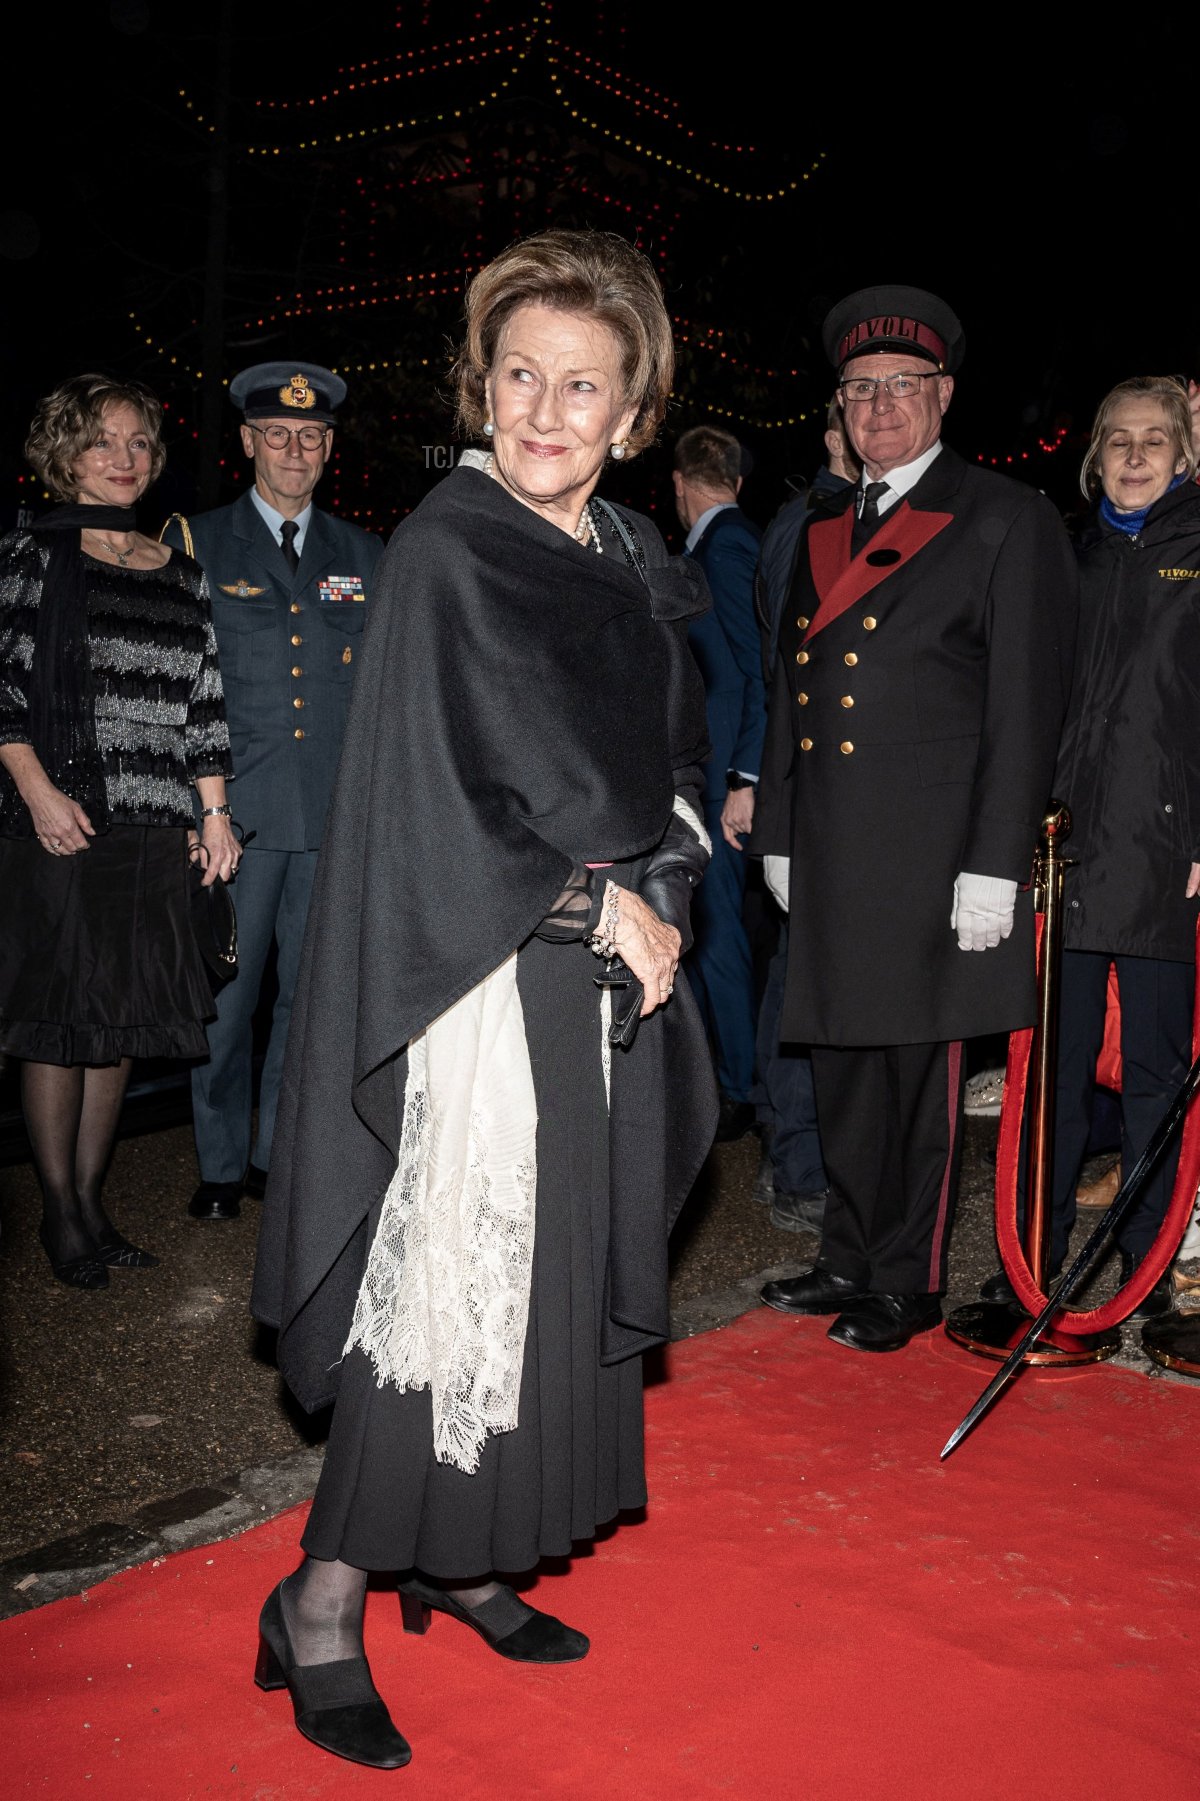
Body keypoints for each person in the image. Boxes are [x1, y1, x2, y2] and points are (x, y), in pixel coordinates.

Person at [249, 229, 717, 1769]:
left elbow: (659, 754)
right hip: (473, 968)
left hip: (594, 976)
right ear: (484, 384)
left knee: (542, 1288)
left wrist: (668, 876)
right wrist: (596, 902)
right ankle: (320, 1603)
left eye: (582, 386)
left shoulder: (635, 557)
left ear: (632, 409)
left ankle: (464, 1558)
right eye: (519, 375)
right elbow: (433, 800)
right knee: (449, 1287)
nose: (543, 408)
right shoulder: (452, 545)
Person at [751, 285, 1078, 1352]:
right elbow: (790, 693)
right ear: (839, 409)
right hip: (838, 846)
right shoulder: (820, 525)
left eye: (902, 386)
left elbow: (1026, 707)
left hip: (939, 855)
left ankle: (909, 1274)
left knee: (917, 1079)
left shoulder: (1004, 517)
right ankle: (847, 1252)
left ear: (943, 395)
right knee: (840, 1064)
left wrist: (996, 863)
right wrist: (782, 829)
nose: (880, 407)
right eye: (860, 390)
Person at [0, 374, 237, 1289]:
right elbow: (6, 695)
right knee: (63, 1026)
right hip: (64, 825)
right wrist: (40, 793)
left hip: (154, 831)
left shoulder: (177, 568)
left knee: (123, 1023)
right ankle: (60, 1212)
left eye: (140, 442)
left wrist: (212, 812)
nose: (126, 458)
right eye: (104, 441)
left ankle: (94, 1204)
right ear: (65, 453)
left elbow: (203, 706)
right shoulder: (31, 557)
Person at [982, 377, 1200, 1320]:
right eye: (1121, 440)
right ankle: (1036, 1260)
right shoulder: (1066, 559)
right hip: (1062, 859)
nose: (1139, 454)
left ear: (1186, 455)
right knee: (1051, 1076)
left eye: (1159, 439)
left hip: (1163, 853)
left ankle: (1147, 1281)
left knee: (1156, 1078)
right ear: (1095, 455)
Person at [162, 364, 384, 1223]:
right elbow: (176, 686)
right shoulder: (196, 539)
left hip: (331, 817)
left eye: (313, 436)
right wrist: (195, 808)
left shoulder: (364, 553)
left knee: (309, 1003)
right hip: (235, 820)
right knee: (225, 1000)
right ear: (250, 441)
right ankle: (218, 1162)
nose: (296, 450)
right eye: (279, 434)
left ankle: (272, 1152)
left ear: (329, 450)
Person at [734, 401, 859, 1229]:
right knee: (797, 986)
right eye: (854, 418)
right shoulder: (808, 524)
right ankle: (799, 1170)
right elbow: (782, 666)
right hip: (809, 790)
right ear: (828, 436)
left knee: (806, 977)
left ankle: (800, 1159)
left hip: (826, 795)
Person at [672, 423, 765, 1141]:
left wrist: (743, 777)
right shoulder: (713, 546)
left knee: (721, 936)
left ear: (681, 483)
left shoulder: (728, 548)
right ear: (734, 480)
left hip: (723, 781)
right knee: (708, 935)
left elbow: (756, 667)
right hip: (707, 774)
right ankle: (720, 1079)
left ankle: (738, 1085)